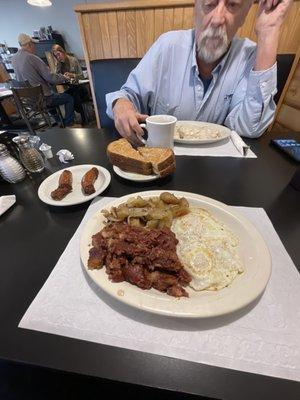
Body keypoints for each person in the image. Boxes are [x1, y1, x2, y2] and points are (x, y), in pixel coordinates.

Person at [106, 0, 293, 145]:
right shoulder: (167, 46)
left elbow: (250, 128)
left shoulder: (251, 56)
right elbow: (128, 95)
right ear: (196, 7)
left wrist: (269, 31)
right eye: (210, 4)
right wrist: (121, 105)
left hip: (217, 173)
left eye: (233, 5)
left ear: (244, 15)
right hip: (161, 164)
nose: (218, 19)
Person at [12, 33, 79, 127]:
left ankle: (60, 122)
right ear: (29, 44)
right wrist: (65, 77)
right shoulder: (32, 57)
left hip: (28, 101)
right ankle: (69, 124)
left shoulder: (14, 58)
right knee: (68, 98)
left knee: (51, 94)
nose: (35, 47)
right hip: (42, 99)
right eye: (34, 44)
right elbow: (50, 78)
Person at [52, 45, 90, 125]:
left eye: (59, 54)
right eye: (56, 56)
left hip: (81, 88)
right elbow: (56, 77)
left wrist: (72, 75)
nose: (58, 57)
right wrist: (58, 65)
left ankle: (81, 119)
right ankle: (68, 121)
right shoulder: (59, 63)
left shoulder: (73, 60)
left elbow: (82, 75)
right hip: (71, 88)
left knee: (74, 95)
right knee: (67, 96)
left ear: (63, 52)